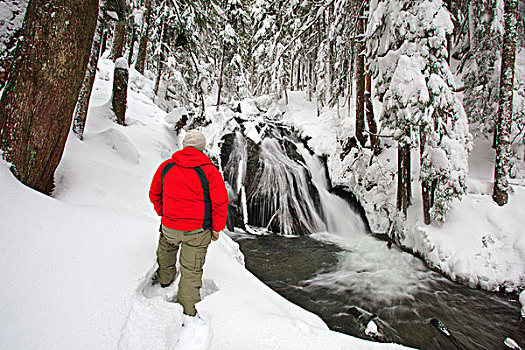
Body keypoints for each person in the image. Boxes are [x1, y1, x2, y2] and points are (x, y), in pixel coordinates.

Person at [149, 130, 229, 319]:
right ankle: (188, 310)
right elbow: (220, 203)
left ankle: (164, 279)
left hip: (170, 227)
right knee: (191, 270)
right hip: (197, 231)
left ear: (184, 145)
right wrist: (216, 228)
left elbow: (154, 194)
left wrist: (164, 213)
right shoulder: (210, 172)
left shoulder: (166, 167)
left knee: (166, 251)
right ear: (202, 148)